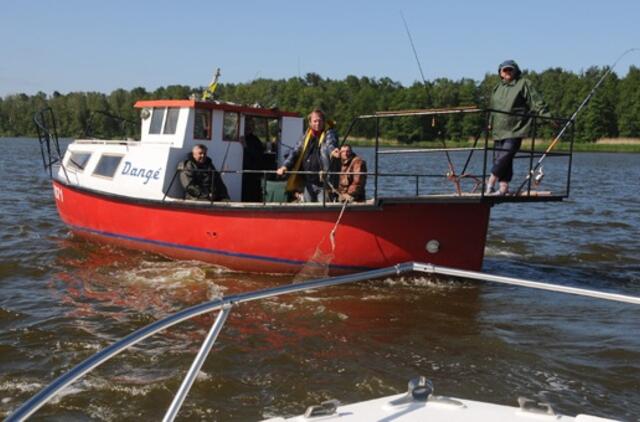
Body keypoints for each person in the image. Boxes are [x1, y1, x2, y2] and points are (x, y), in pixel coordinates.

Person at [487, 60, 551, 196]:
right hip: (499, 129)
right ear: (500, 73)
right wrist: (490, 122)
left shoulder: (523, 83)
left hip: (515, 128)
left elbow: (535, 101)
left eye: (510, 70)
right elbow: (493, 108)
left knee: (505, 155)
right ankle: (503, 187)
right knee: (501, 159)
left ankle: (490, 182)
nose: (508, 72)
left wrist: (546, 116)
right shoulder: (497, 88)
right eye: (505, 70)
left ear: (515, 71)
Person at [276, 108, 339, 202]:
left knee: (323, 209)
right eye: (315, 121)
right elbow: (295, 152)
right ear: (310, 122)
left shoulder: (329, 133)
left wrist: (333, 151)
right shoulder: (306, 136)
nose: (317, 123)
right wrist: (285, 166)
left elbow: (331, 144)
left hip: (324, 183)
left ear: (324, 121)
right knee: (308, 207)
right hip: (308, 182)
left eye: (320, 121)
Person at [241, 117, 266, 202]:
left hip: (253, 172)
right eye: (247, 125)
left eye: (251, 125)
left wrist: (245, 146)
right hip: (242, 170)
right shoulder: (238, 136)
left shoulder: (255, 140)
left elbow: (258, 154)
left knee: (252, 194)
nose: (249, 127)